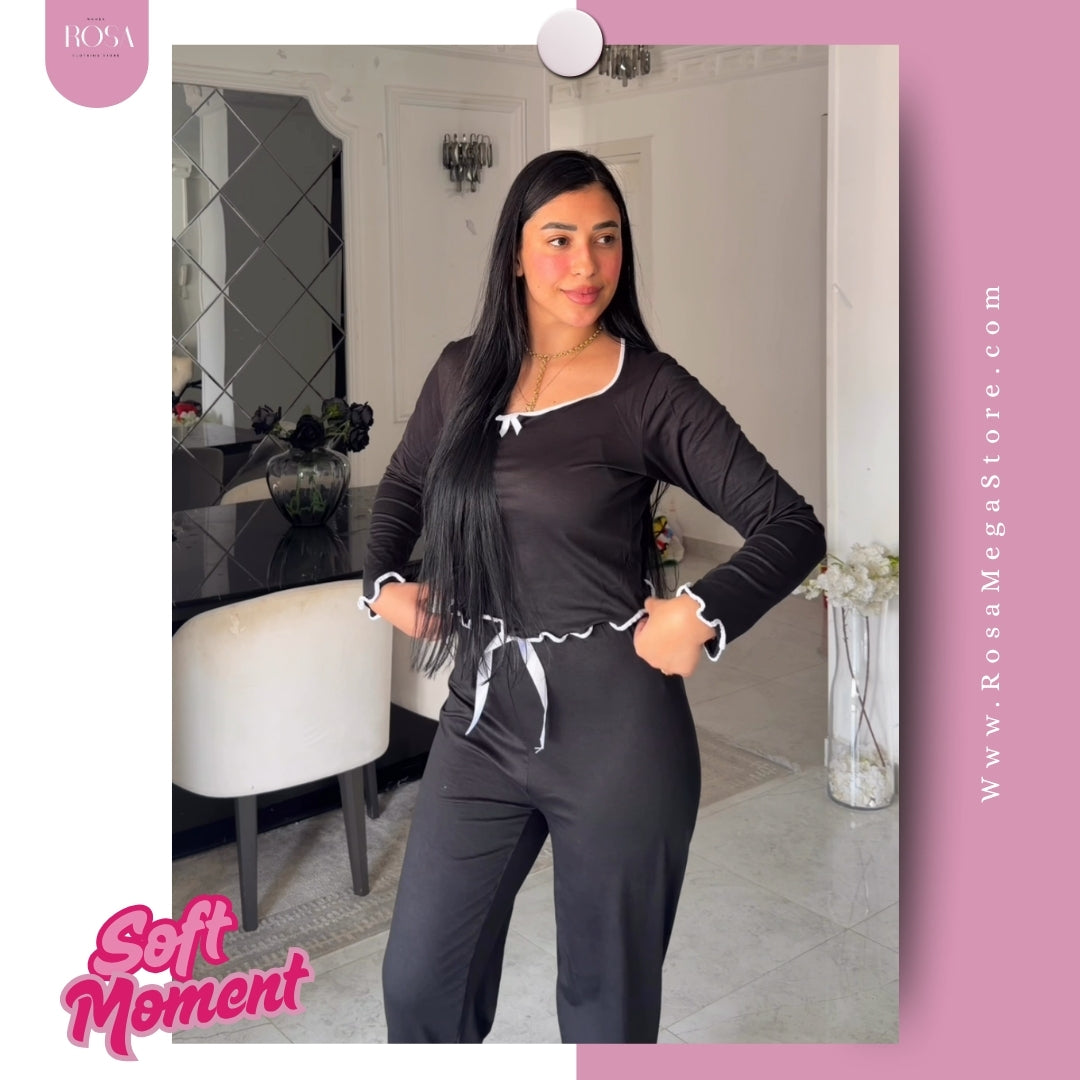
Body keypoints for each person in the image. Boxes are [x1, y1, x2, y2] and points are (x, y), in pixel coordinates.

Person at [360, 149, 826, 1044]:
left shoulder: (648, 387)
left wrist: (705, 612)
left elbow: (790, 524)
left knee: (604, 1014)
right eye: (560, 239)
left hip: (617, 734)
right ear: (515, 253)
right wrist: (382, 582)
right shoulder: (461, 372)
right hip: (482, 719)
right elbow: (406, 484)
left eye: (606, 239)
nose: (587, 264)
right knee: (419, 984)